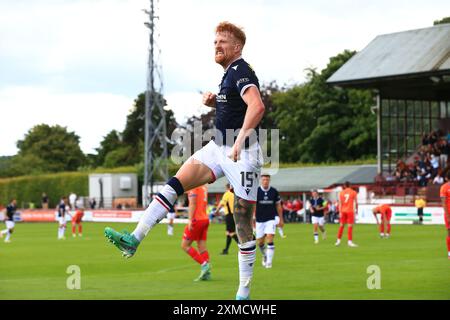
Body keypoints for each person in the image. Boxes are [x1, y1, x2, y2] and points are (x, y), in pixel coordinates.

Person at [105, 21, 265, 300]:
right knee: (175, 183)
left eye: (222, 42)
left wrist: (239, 140)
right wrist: (217, 103)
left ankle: (243, 291)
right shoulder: (229, 74)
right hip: (218, 148)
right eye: (215, 41)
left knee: (242, 223)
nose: (216, 45)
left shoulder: (241, 70)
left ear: (236, 47)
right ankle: (134, 239)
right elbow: (237, 107)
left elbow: (257, 106)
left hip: (244, 154)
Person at [180, 185, 211, 281]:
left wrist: (190, 220)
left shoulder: (194, 187)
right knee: (202, 246)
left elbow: (192, 203)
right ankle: (207, 271)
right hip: (205, 219)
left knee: (185, 245)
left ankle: (204, 265)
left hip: (196, 220)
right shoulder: (203, 187)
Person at [254, 174, 284, 268]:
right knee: (260, 242)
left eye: (267, 179)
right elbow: (253, 205)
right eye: (264, 180)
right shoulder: (257, 191)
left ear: (269, 180)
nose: (265, 181)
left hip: (271, 219)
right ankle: (265, 255)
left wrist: (281, 219)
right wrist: (252, 218)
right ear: (261, 181)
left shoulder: (274, 191)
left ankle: (269, 263)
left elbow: (278, 206)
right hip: (259, 220)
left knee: (270, 238)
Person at [215, 183, 239, 255]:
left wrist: (216, 211)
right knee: (228, 233)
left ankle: (242, 246)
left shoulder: (227, 194)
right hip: (235, 214)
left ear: (227, 187)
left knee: (231, 233)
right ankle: (226, 250)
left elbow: (222, 203)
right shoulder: (235, 194)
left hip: (229, 215)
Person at [335, 182, 358, 247]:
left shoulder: (341, 193)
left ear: (344, 186)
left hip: (343, 211)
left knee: (341, 226)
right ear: (350, 185)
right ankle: (349, 242)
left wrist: (340, 212)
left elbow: (340, 203)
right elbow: (356, 202)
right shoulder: (353, 192)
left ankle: (338, 241)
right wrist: (356, 210)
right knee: (350, 226)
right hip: (350, 211)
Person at [439, 170, 450, 259]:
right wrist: (448, 216)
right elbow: (444, 203)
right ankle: (449, 252)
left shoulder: (443, 187)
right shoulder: (444, 187)